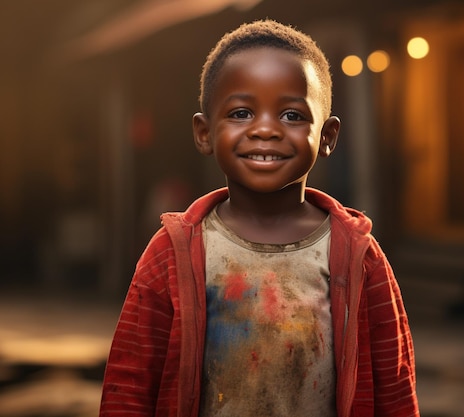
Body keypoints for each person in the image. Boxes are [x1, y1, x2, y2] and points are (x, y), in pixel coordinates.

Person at [99, 19, 419, 417]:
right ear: (204, 133)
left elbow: (395, 387)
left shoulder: (357, 256)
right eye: (241, 112)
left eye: (291, 116)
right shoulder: (173, 251)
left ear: (328, 137)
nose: (265, 130)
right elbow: (129, 384)